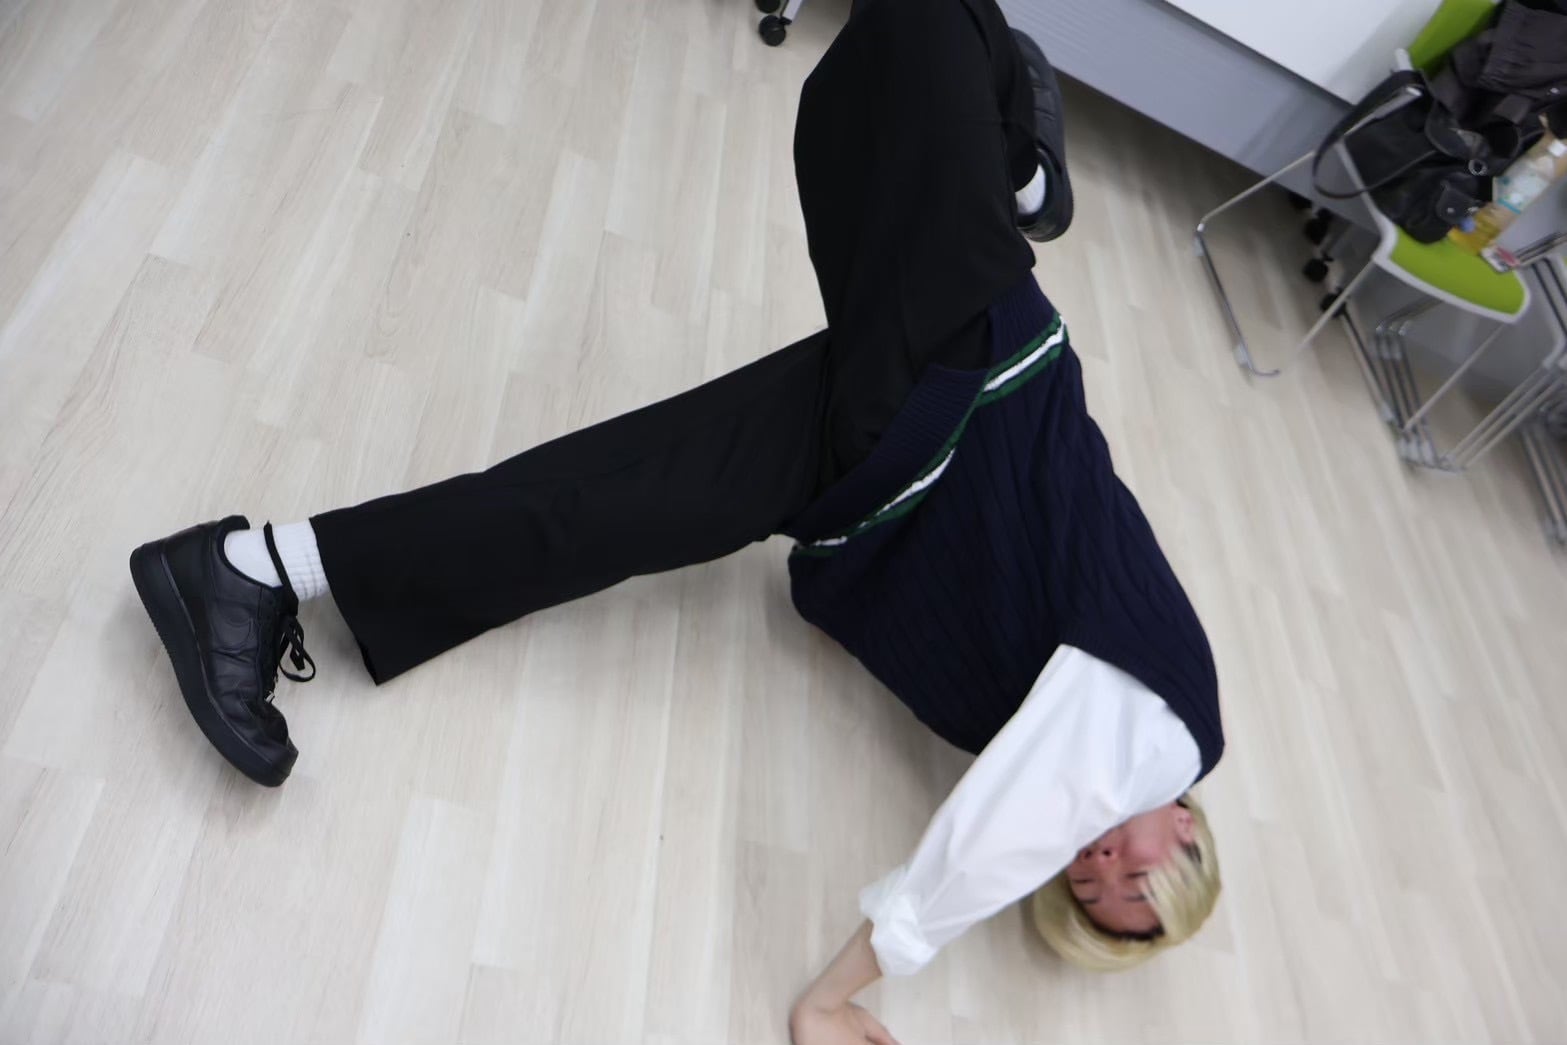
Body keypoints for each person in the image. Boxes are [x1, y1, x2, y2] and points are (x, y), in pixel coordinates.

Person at [128, 1, 1225, 1041]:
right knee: (916, 26)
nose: (1095, 864)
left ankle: (249, 571)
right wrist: (833, 997)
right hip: (968, 358)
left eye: (1087, 890)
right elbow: (987, 847)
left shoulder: (1043, 743)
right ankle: (1016, 167)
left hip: (866, 471)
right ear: (1184, 828)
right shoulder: (1163, 736)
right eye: (1135, 874)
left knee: (594, 509)